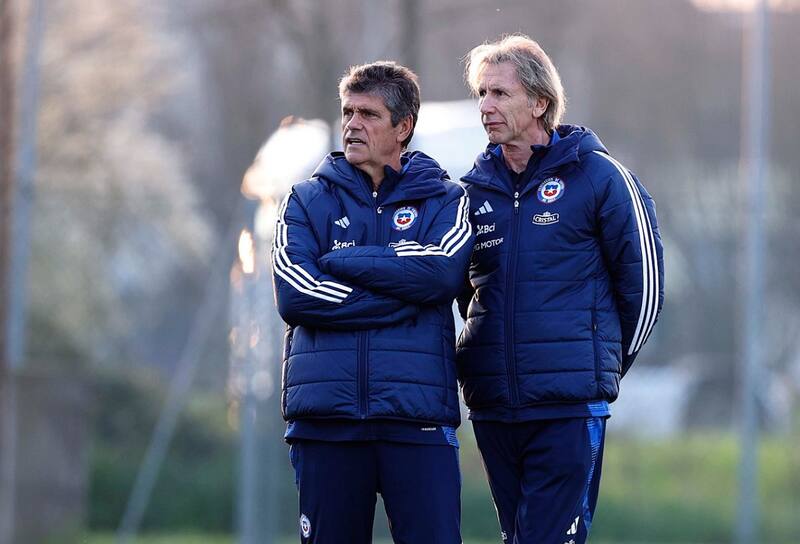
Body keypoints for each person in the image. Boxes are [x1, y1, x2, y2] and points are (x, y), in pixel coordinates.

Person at [457, 35, 664, 544]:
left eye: (500, 94)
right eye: (481, 94)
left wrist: (600, 368)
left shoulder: (600, 177)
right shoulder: (470, 189)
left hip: (568, 407)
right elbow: (466, 293)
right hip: (494, 406)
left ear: (540, 102)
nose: (486, 106)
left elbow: (645, 288)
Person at [272, 61, 473, 544]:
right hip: (327, 424)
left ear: (403, 127)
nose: (352, 124)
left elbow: (441, 273)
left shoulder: (447, 200)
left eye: (369, 114)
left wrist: (347, 260)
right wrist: (404, 299)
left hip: (416, 419)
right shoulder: (302, 201)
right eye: (348, 112)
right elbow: (296, 294)